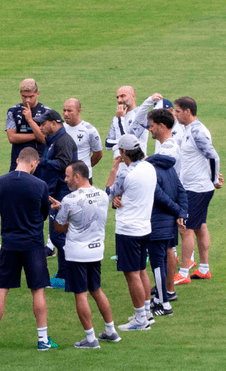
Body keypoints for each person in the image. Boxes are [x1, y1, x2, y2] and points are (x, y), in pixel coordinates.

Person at [0, 147, 57, 351]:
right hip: (33, 244)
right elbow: (43, 214)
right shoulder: (40, 185)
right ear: (33, 163)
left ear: (18, 160)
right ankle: (42, 340)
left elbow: (2, 208)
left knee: (1, 290)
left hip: (9, 243)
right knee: (38, 291)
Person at [51, 161, 120, 348]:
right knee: (96, 290)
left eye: (67, 176)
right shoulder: (103, 195)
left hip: (76, 254)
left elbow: (59, 227)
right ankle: (111, 330)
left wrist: (58, 211)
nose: (65, 180)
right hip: (96, 251)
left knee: (80, 295)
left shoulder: (69, 200)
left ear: (77, 176)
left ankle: (90, 339)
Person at [105, 134, 156, 331]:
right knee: (141, 270)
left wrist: (113, 170)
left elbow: (108, 193)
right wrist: (119, 198)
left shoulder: (125, 173)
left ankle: (140, 319)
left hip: (128, 230)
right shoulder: (149, 167)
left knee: (131, 274)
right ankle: (147, 312)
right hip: (144, 227)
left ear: (123, 152)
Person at [173, 97, 223, 284]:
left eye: (178, 111)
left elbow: (213, 156)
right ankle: (204, 269)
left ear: (187, 111)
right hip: (195, 187)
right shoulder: (189, 130)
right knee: (200, 227)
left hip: (196, 189)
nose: (176, 115)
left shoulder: (197, 131)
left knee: (185, 228)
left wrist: (213, 179)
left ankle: (184, 273)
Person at [146, 108, 188, 305]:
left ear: (161, 126)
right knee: (168, 247)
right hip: (169, 201)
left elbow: (168, 162)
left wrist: (145, 161)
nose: (150, 129)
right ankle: (166, 288)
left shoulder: (169, 146)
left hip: (167, 202)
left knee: (168, 249)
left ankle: (168, 290)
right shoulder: (165, 144)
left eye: (152, 125)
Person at [35, 109, 77, 288]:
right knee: (60, 233)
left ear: (54, 123)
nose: (40, 127)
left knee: (58, 235)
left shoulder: (63, 140)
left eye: (43, 124)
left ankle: (75, 269)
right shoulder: (54, 140)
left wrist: (41, 162)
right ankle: (63, 276)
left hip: (62, 194)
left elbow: (64, 164)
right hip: (55, 192)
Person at [5, 78, 48, 175]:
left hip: (39, 162)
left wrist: (30, 120)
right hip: (18, 161)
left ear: (37, 93)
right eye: (24, 97)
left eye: (31, 96)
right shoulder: (13, 111)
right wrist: (35, 135)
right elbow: (12, 137)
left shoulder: (46, 112)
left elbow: (42, 139)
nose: (27, 100)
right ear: (20, 93)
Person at [62, 98, 103, 182]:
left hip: (83, 178)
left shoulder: (89, 130)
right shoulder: (60, 128)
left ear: (79, 111)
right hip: (64, 177)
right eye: (64, 110)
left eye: (69, 111)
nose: (66, 114)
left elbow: (98, 154)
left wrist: (84, 167)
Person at [104, 86, 149, 158]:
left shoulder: (140, 116)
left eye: (122, 96)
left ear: (133, 96)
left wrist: (120, 119)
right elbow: (107, 144)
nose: (119, 100)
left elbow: (129, 143)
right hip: (119, 164)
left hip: (136, 163)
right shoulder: (116, 118)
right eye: (117, 97)